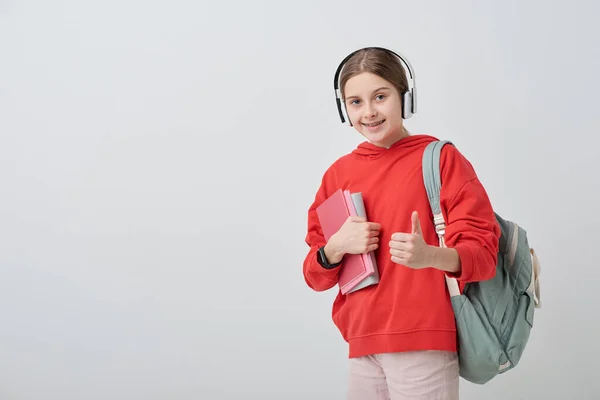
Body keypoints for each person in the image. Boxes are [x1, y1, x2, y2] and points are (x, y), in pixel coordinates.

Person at [302, 47, 501, 400]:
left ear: (405, 97)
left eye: (380, 96)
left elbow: (484, 255)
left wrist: (431, 256)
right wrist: (335, 248)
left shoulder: (440, 159)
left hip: (423, 342)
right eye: (356, 102)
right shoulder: (337, 175)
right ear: (343, 108)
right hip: (363, 345)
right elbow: (315, 275)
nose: (369, 112)